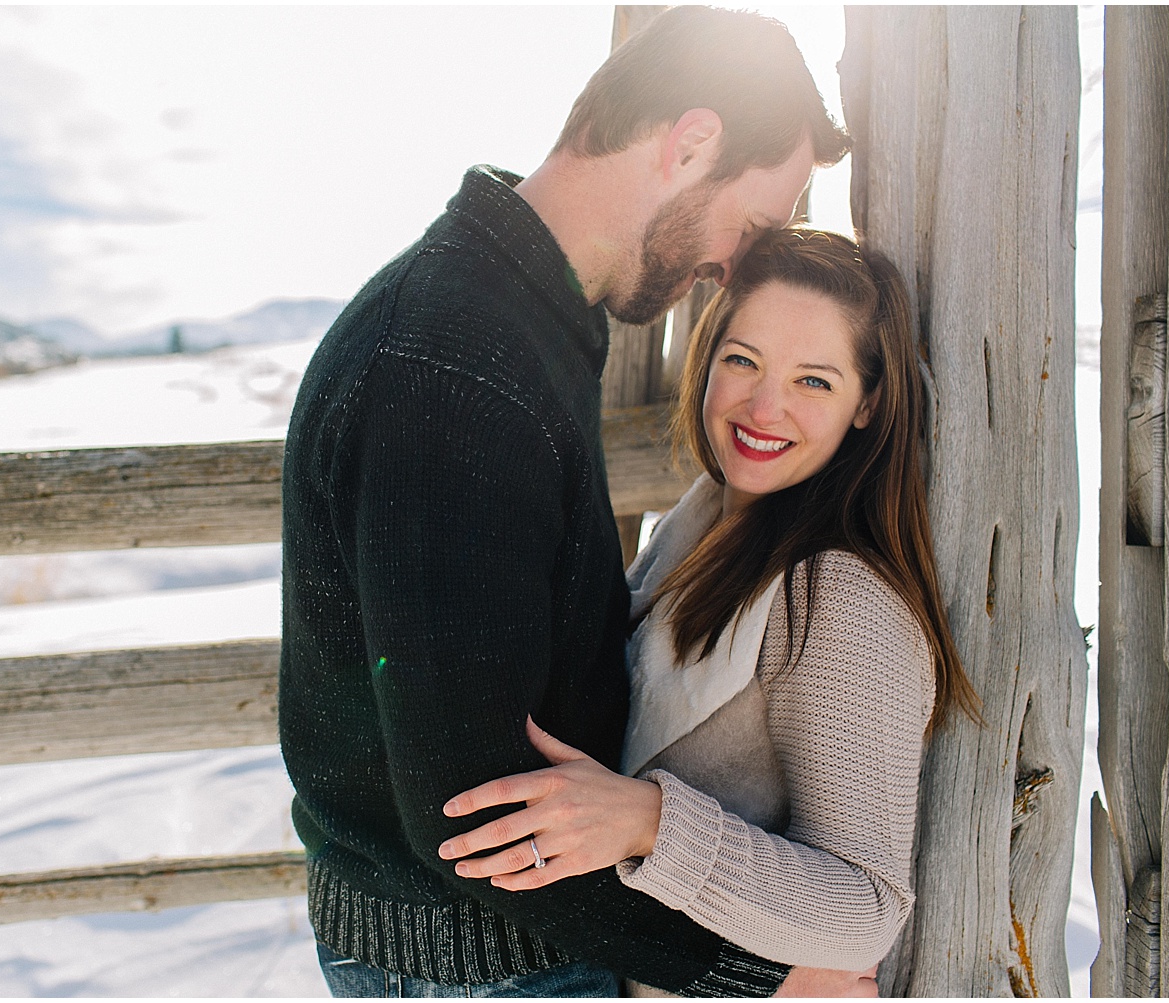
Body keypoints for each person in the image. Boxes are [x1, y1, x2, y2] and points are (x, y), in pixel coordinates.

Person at [279, 6, 863, 997]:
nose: (735, 266)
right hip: (478, 966)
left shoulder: (509, 320)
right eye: (751, 224)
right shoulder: (455, 366)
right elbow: (473, 807)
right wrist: (751, 971)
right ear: (692, 143)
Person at [437, 228, 982, 995]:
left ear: (870, 405)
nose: (765, 406)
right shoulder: (702, 525)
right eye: (743, 360)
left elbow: (866, 906)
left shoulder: (837, 597)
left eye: (815, 382)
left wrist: (649, 823)